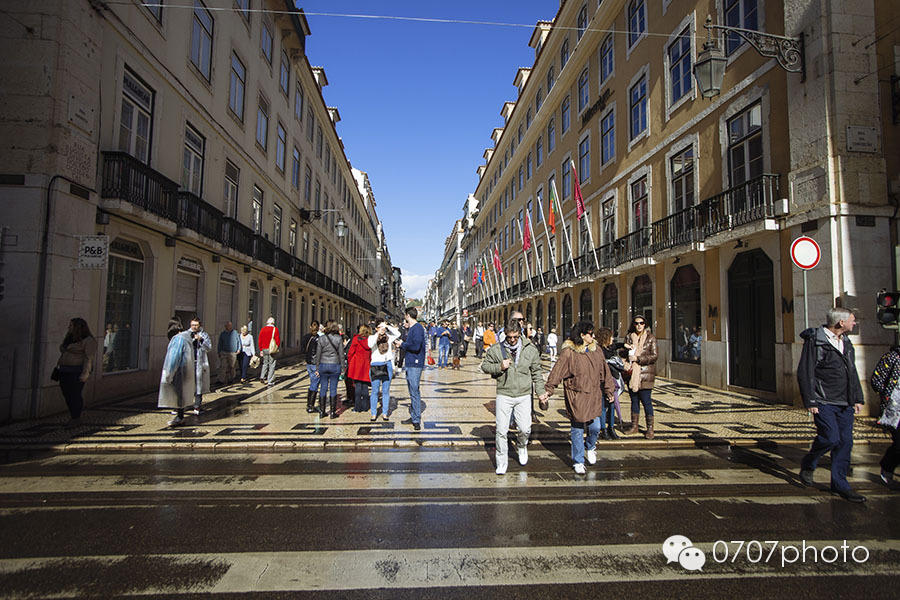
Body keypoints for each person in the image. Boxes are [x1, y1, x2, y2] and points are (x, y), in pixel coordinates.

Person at [798, 307, 866, 503]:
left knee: (845, 442)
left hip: (845, 402)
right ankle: (810, 462)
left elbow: (852, 371)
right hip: (823, 400)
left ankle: (840, 485)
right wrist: (810, 400)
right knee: (830, 437)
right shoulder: (816, 341)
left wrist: (857, 397)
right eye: (852, 320)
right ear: (840, 323)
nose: (854, 324)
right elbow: (805, 371)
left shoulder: (846, 341)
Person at [544, 321, 616, 474]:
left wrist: (609, 391)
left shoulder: (596, 351)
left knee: (595, 426)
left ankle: (590, 446)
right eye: (590, 333)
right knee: (577, 429)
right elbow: (557, 372)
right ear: (582, 335)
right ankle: (578, 460)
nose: (593, 336)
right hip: (576, 395)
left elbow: (605, 372)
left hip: (594, 395)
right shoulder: (569, 352)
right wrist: (548, 390)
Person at [481, 319, 544, 475]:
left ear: (520, 333)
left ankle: (522, 446)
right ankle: (501, 461)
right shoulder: (497, 349)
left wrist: (541, 392)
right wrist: (499, 367)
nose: (512, 340)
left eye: (515, 337)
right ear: (505, 335)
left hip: (523, 394)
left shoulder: (530, 349)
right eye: (509, 337)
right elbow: (484, 366)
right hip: (504, 394)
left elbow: (537, 371)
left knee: (525, 428)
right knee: (501, 431)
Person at [870, 344, 900, 489]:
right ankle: (887, 467)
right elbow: (876, 379)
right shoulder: (892, 357)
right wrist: (887, 396)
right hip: (894, 410)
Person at [56, 318, 97, 422]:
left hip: (77, 371)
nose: (68, 327)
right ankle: (73, 414)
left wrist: (85, 373)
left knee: (74, 394)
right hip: (64, 370)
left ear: (78, 328)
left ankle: (76, 417)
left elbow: (89, 358)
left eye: (71, 325)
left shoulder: (88, 340)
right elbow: (62, 349)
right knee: (66, 394)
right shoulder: (69, 338)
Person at [623, 315, 658, 438]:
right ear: (633, 324)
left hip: (645, 374)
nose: (639, 325)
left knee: (646, 401)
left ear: (645, 324)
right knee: (634, 401)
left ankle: (650, 428)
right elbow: (623, 353)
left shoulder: (651, 338)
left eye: (641, 323)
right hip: (632, 375)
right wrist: (625, 349)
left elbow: (654, 356)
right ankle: (634, 426)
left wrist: (638, 359)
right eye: (636, 323)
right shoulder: (629, 337)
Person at [399, 307, 426, 430]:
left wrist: (402, 344)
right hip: (410, 363)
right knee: (412, 391)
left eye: (405, 315)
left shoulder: (417, 328)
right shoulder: (413, 328)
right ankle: (414, 415)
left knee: (414, 391)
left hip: (415, 363)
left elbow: (415, 346)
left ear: (408, 315)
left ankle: (416, 420)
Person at [368, 321, 401, 421]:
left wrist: (387, 326)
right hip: (375, 365)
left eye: (383, 327)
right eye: (380, 327)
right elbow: (370, 345)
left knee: (386, 391)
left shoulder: (389, 337)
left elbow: (397, 333)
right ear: (376, 328)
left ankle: (385, 413)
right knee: (375, 391)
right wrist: (378, 333)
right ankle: (373, 413)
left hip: (387, 365)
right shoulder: (372, 337)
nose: (382, 329)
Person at [314, 321, 346, 418]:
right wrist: (343, 367)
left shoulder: (321, 338)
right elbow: (341, 354)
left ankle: (322, 411)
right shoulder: (339, 338)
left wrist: (317, 367)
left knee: (323, 388)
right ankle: (332, 412)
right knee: (333, 388)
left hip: (323, 365)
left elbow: (318, 353)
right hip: (334, 365)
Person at [597, 327, 625, 439]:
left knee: (613, 404)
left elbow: (616, 345)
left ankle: (611, 428)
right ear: (605, 338)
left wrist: (625, 345)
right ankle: (603, 429)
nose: (613, 338)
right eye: (611, 336)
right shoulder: (599, 350)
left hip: (613, 380)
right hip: (602, 381)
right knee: (603, 405)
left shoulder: (610, 348)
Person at [186, 318, 211, 414]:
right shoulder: (186, 334)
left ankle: (197, 406)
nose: (194, 327)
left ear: (199, 325)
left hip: (199, 362)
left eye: (196, 325)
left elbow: (209, 347)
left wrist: (201, 340)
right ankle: (183, 406)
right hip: (188, 362)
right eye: (192, 325)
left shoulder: (204, 335)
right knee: (187, 383)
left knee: (198, 384)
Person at [347, 324, 372, 412]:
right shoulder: (370, 340)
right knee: (365, 386)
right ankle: (365, 406)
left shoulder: (356, 339)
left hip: (357, 363)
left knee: (357, 386)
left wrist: (350, 362)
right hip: (366, 363)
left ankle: (357, 407)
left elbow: (350, 352)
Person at [300, 321, 320, 412]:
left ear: (310, 327)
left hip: (308, 362)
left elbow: (302, 349)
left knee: (313, 381)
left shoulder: (305, 337)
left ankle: (309, 404)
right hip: (315, 363)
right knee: (314, 384)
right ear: (318, 328)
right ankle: (310, 405)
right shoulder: (319, 339)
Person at [258, 317, 280, 387]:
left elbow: (260, 340)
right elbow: (277, 340)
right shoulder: (275, 329)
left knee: (265, 363)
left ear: (267, 323)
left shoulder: (263, 329)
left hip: (264, 348)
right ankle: (270, 380)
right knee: (272, 364)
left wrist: (261, 349)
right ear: (273, 323)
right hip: (271, 349)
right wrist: (276, 347)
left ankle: (262, 376)